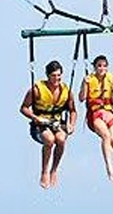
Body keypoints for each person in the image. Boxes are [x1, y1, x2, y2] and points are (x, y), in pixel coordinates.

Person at [20, 60, 77, 189]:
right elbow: (23, 108)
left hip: (57, 124)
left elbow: (73, 111)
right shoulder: (36, 90)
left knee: (61, 139)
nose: (56, 78)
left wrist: (72, 125)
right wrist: (35, 118)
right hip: (40, 125)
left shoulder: (66, 91)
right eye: (53, 76)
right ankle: (44, 171)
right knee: (50, 140)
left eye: (59, 75)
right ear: (47, 75)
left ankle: (54, 170)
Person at [80, 54, 113, 185]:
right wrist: (84, 84)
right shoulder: (89, 79)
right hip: (95, 113)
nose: (102, 68)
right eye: (99, 66)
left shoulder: (111, 78)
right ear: (94, 67)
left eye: (104, 66)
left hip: (109, 112)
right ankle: (110, 168)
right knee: (106, 136)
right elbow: (81, 98)